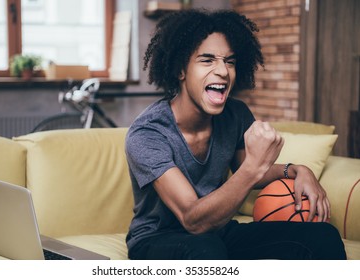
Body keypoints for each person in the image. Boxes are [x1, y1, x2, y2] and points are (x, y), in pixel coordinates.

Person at [125, 9, 346, 260]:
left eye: (229, 61)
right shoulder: (148, 133)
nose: (223, 71)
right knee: (207, 250)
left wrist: (296, 170)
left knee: (322, 236)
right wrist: (254, 166)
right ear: (180, 70)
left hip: (217, 231)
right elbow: (191, 219)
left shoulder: (235, 114)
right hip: (157, 239)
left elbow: (247, 169)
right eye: (207, 60)